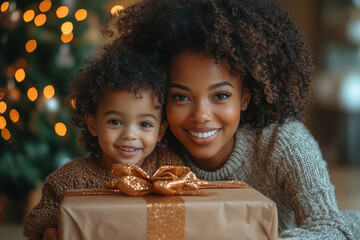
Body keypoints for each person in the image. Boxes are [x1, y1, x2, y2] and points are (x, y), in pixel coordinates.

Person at [109, 0, 360, 239]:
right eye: (181, 97)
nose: (201, 115)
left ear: (245, 98)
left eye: (220, 95)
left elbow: (330, 227)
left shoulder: (284, 144)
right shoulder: (154, 151)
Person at [22, 46, 183, 240]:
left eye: (145, 124)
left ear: (161, 131)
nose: (130, 135)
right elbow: (39, 217)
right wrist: (47, 230)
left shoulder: (167, 167)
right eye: (115, 121)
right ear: (93, 124)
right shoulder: (70, 179)